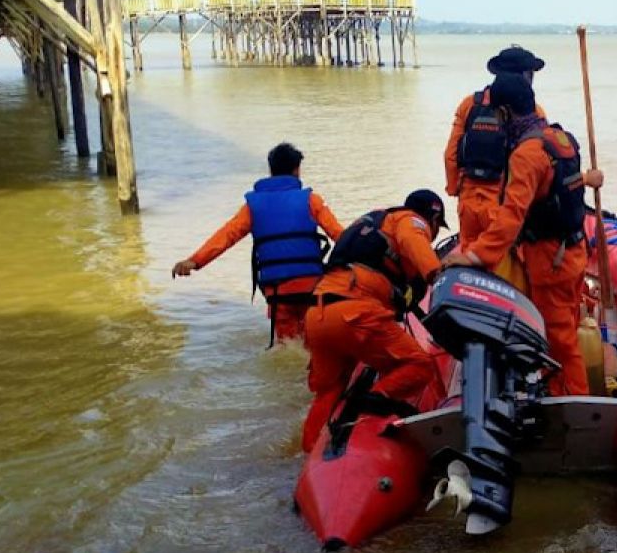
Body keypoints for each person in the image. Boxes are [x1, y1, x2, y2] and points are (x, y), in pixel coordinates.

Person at [442, 74, 603, 396]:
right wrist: (588, 179)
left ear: (503, 113)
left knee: (560, 342)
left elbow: (511, 216)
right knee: (567, 329)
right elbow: (559, 184)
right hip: (574, 251)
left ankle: (574, 407)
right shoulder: (561, 138)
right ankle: (557, 389)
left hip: (549, 260)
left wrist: (474, 256)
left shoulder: (525, 154)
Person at [300, 189, 447, 450]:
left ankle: (309, 455)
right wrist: (435, 273)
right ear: (433, 220)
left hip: (317, 311)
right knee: (419, 365)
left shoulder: (372, 221)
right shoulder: (411, 221)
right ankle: (372, 402)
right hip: (355, 311)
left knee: (329, 391)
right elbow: (413, 239)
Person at [171, 142, 344, 346]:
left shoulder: (252, 206)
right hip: (311, 286)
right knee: (313, 343)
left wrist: (194, 261)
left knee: (287, 345)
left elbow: (227, 235)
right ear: (297, 170)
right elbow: (341, 236)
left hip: (277, 290)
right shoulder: (311, 200)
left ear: (270, 170)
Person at [444, 45, 549, 252]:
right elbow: (539, 162)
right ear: (524, 76)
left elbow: (451, 155)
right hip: (502, 204)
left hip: (468, 201)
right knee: (506, 265)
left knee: (469, 260)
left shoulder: (469, 104)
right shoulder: (532, 113)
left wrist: (456, 189)